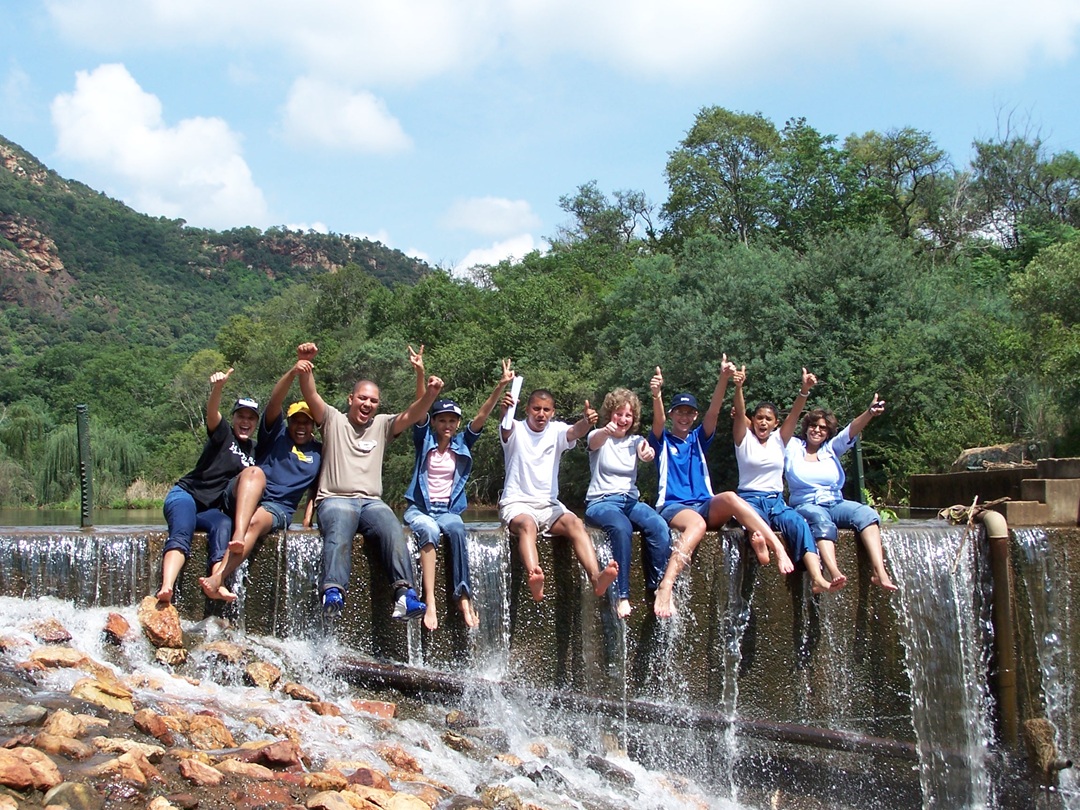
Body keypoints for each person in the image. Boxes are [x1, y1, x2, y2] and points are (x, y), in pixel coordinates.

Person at [297, 341, 444, 620]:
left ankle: (404, 595)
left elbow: (414, 413)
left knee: (392, 526)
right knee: (339, 526)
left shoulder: (382, 424)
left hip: (371, 502)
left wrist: (431, 392)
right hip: (335, 499)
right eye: (362, 398)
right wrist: (305, 366)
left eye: (373, 401)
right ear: (350, 399)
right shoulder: (332, 419)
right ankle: (333, 590)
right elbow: (311, 393)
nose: (367, 404)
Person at [648, 361, 792, 618]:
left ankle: (777, 548)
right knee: (697, 524)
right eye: (679, 412)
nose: (684, 417)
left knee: (731, 498)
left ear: (694, 416)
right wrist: (657, 395)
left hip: (705, 503)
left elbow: (714, 411)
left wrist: (724, 378)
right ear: (672, 415)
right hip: (673, 505)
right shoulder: (662, 441)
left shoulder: (698, 439)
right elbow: (657, 421)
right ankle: (666, 585)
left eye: (689, 413)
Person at [198, 349, 323, 602]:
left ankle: (218, 577)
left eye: (306, 422)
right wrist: (293, 372)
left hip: (278, 508)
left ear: (313, 425)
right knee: (254, 472)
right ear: (289, 422)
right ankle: (238, 534)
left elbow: (316, 489)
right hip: (245, 492)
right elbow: (275, 402)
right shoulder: (276, 436)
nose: (300, 426)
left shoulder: (320, 452)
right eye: (296, 421)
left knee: (256, 521)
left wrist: (308, 519)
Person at [404, 356, 515, 631]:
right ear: (434, 422)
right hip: (421, 509)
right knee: (429, 530)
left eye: (452, 421)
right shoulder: (424, 440)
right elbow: (420, 408)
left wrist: (501, 386)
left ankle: (463, 597)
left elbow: (482, 416)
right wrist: (420, 374)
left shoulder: (462, 443)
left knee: (457, 529)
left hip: (448, 510)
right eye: (442, 420)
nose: (447, 425)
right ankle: (430, 600)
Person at [498, 388, 619, 603]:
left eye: (546, 410)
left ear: (553, 412)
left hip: (549, 505)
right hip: (517, 504)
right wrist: (505, 410)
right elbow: (505, 427)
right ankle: (535, 576)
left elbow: (574, 432)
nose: (541, 414)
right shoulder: (515, 428)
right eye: (536, 409)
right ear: (527, 410)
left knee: (575, 523)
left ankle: (596, 577)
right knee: (528, 525)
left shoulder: (556, 431)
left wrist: (586, 421)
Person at [732, 366, 841, 595]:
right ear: (753, 420)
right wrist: (739, 387)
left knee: (799, 523)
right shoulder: (743, 439)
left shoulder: (780, 440)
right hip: (750, 499)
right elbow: (740, 411)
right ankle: (761, 545)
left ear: (775, 423)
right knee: (756, 526)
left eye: (768, 419)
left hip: (776, 501)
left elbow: (795, 414)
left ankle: (817, 577)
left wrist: (804, 389)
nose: (763, 422)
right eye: (759, 418)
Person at [157, 368, 257, 604]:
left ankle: (216, 581)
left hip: (210, 508)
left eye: (251, 418)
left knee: (223, 524)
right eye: (241, 416)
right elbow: (212, 413)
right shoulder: (223, 434)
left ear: (255, 423)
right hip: (186, 495)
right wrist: (218, 388)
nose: (245, 421)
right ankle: (167, 586)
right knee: (182, 530)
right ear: (233, 419)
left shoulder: (254, 450)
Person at [785, 394, 896, 591]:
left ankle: (879, 571)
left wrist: (869, 413)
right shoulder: (792, 446)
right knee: (820, 519)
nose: (817, 430)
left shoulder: (831, 449)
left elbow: (851, 430)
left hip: (835, 502)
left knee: (867, 514)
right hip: (806, 504)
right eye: (813, 426)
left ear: (828, 432)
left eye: (823, 428)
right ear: (806, 427)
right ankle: (833, 572)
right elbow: (769, 431)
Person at [584, 388, 671, 619]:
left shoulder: (636, 441)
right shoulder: (597, 437)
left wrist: (647, 454)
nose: (623, 419)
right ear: (609, 414)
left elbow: (644, 451)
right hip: (601, 502)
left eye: (628, 415)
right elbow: (595, 440)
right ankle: (622, 594)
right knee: (621, 527)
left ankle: (657, 586)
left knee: (659, 525)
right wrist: (606, 430)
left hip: (630, 501)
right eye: (618, 413)